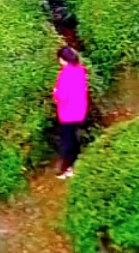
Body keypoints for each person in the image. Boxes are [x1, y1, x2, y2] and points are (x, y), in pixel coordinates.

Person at [52, 46, 88, 179]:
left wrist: (55, 93)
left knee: (67, 142)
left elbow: (62, 95)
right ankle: (76, 164)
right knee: (74, 138)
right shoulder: (80, 69)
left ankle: (66, 169)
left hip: (68, 112)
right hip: (79, 110)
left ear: (63, 59)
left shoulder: (65, 74)